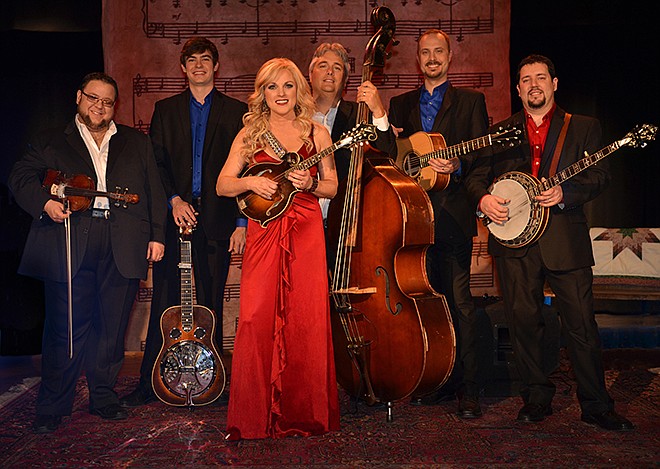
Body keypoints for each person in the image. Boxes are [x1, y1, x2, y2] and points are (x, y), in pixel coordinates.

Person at [465, 54, 634, 431]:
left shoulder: (584, 127)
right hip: (514, 242)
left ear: (554, 83)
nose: (534, 84)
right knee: (523, 323)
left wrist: (566, 192)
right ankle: (536, 398)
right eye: (526, 79)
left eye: (541, 77)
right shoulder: (502, 131)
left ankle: (595, 405)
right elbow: (476, 177)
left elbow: (601, 176)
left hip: (565, 239)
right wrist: (484, 200)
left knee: (581, 325)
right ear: (518, 88)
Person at [9, 72, 167, 433]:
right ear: (79, 97)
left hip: (123, 240)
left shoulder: (136, 142)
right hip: (70, 238)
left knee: (111, 328)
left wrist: (157, 236)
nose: (100, 106)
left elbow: (154, 192)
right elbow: (19, 177)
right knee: (65, 328)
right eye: (93, 98)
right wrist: (44, 203)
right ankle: (53, 404)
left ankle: (103, 397)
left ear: (115, 106)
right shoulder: (51, 139)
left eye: (107, 101)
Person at [119, 37, 248, 408]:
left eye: (205, 60)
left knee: (210, 304)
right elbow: (155, 165)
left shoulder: (236, 111)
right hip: (174, 215)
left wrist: (241, 222)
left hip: (218, 220)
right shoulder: (165, 108)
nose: (198, 66)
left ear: (216, 66)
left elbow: (246, 169)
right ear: (183, 68)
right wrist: (173, 200)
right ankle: (149, 383)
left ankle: (213, 385)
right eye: (191, 61)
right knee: (164, 300)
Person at [216, 57, 340, 439]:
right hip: (264, 231)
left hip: (305, 230)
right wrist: (251, 184)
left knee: (306, 317)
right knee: (254, 316)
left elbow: (333, 186)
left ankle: (305, 415)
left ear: (299, 89)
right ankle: (253, 417)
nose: (281, 94)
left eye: (288, 86)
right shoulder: (250, 134)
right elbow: (223, 184)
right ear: (263, 93)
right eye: (272, 87)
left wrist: (310, 184)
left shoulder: (317, 133)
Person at [388, 29, 487, 418]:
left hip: (452, 218)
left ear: (449, 57)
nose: (432, 58)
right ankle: (437, 381)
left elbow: (482, 154)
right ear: (417, 59)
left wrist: (457, 164)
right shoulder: (400, 104)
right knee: (424, 304)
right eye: (425, 52)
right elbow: (391, 155)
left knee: (460, 303)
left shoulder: (471, 101)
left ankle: (470, 387)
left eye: (438, 52)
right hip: (411, 221)